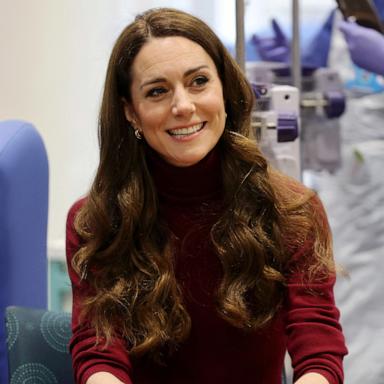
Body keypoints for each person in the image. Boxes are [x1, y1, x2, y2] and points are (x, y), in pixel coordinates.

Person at [66, 8, 347, 384]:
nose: (183, 106)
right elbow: (98, 352)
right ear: (131, 112)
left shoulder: (293, 212)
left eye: (198, 81)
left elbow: (319, 351)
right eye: (157, 91)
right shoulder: (97, 222)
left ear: (225, 91)